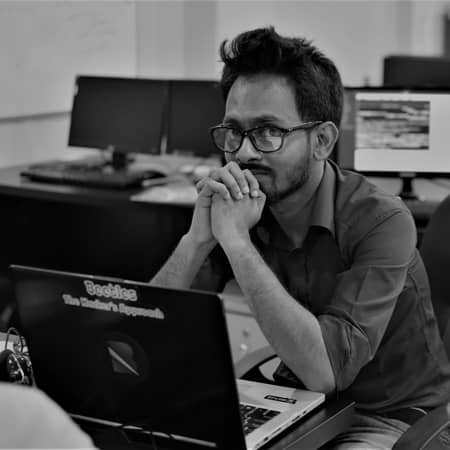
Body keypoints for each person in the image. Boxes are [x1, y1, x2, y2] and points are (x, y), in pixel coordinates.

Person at [151, 26, 450, 448]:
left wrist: (237, 244)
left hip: (388, 416)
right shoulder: (244, 205)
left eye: (268, 131)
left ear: (322, 141)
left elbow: (326, 370)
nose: (244, 152)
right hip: (297, 402)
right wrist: (196, 240)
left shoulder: (381, 221)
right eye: (234, 131)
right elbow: (145, 328)